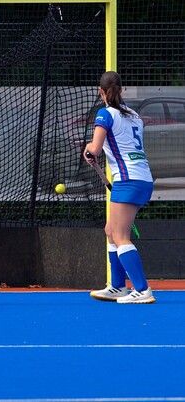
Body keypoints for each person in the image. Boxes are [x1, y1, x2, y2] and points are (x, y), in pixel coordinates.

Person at [85, 70, 155, 304]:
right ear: (122, 90)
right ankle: (117, 286)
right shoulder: (134, 115)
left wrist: (88, 149)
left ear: (100, 92)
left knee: (120, 235)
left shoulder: (105, 114)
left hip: (128, 179)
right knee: (110, 230)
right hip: (142, 178)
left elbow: (95, 148)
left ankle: (142, 289)